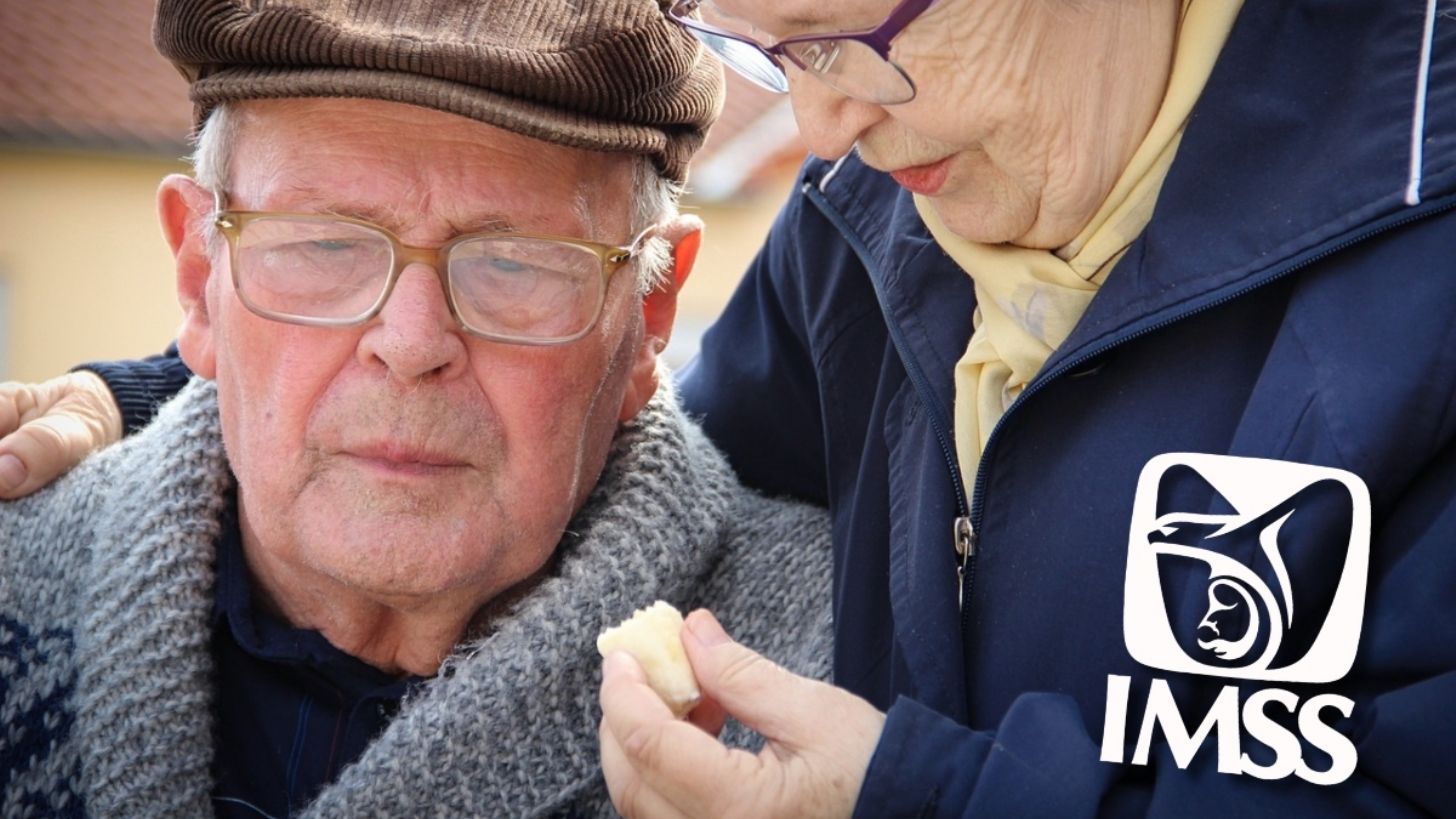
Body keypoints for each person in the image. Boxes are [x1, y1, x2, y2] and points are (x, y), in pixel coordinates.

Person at [5, 0, 1455, 815]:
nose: (818, 131)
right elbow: (598, 431)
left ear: (646, 304)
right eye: (776, 50)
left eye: (847, 31)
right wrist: (164, 401)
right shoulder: (868, 222)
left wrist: (917, 806)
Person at [0, 1, 836, 816]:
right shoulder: (14, 576)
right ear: (198, 278)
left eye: (513, 263)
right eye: (325, 242)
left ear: (648, 314)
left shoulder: (837, 672)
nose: (411, 343)